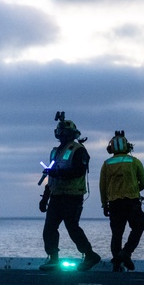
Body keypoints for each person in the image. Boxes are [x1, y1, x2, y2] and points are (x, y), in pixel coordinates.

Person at [39, 112, 102, 271]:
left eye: (65, 133)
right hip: (56, 196)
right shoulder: (55, 152)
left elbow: (78, 171)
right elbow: (51, 177)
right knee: (49, 228)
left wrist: (57, 173)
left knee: (72, 226)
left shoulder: (79, 150)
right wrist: (45, 198)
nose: (62, 136)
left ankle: (90, 255)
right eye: (60, 133)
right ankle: (53, 258)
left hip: (73, 196)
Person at [99, 130, 144, 272]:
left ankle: (117, 264)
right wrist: (134, 189)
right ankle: (126, 253)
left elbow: (102, 187)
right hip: (132, 202)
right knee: (139, 226)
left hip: (114, 204)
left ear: (111, 148)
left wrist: (104, 204)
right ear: (128, 146)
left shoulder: (106, 164)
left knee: (117, 233)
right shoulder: (134, 161)